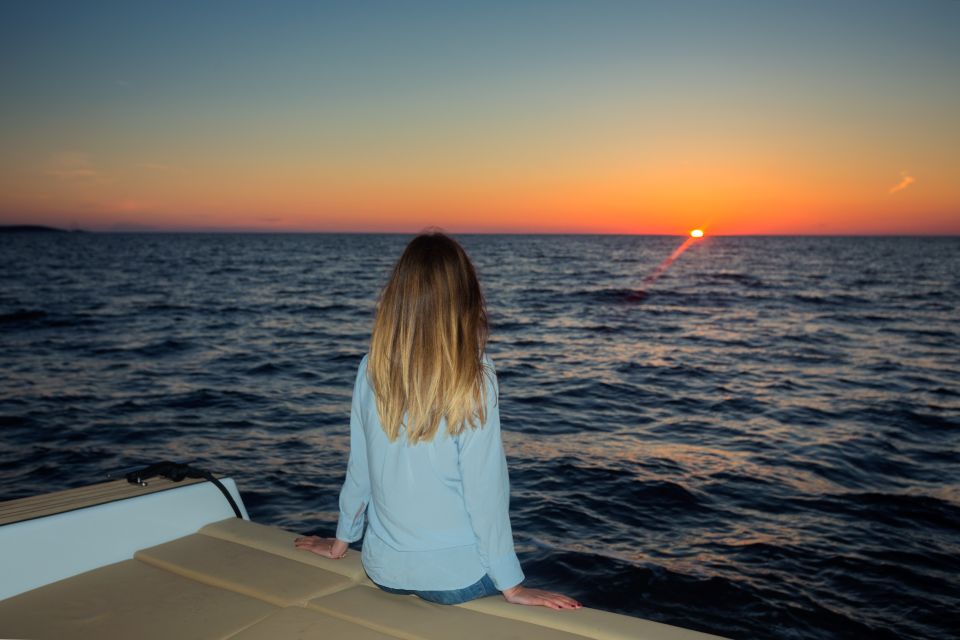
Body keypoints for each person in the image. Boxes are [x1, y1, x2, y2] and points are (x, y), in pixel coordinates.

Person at [295, 231, 581, 610]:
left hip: (384, 571)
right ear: (465, 297)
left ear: (398, 297)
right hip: (456, 581)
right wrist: (512, 585)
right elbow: (486, 491)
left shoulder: (371, 369)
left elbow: (359, 468)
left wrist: (340, 542)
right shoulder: (476, 377)